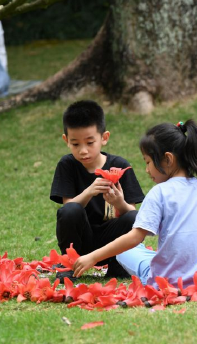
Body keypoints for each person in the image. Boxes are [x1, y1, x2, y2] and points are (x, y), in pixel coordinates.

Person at [72, 120, 197, 287]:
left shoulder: (160, 192)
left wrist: (93, 256)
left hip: (166, 281)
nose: (146, 169)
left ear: (168, 159)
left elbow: (135, 238)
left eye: (148, 162)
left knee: (125, 253)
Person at [50, 100, 145, 282]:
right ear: (66, 141)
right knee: (71, 210)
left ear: (104, 138)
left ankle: (119, 266)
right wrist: (89, 191)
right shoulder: (67, 165)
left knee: (133, 217)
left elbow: (133, 216)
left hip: (113, 243)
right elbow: (68, 209)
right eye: (75, 144)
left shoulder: (120, 165)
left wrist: (119, 203)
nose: (83, 151)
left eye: (90, 142)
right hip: (81, 241)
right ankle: (68, 264)